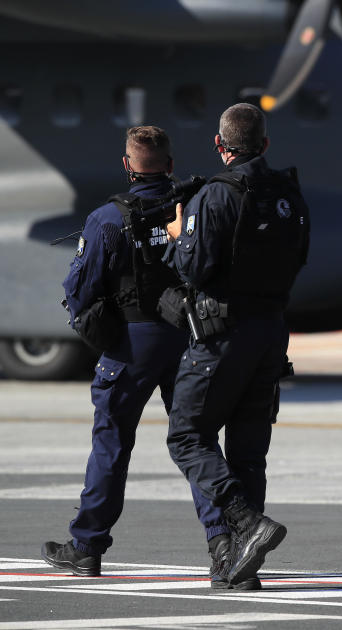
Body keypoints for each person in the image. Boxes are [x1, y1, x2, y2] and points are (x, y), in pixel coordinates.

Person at [42, 126, 229, 581]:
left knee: (111, 442)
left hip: (132, 341)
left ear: (127, 166)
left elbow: (80, 287)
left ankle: (87, 545)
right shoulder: (198, 206)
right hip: (190, 335)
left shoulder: (108, 218)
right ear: (169, 164)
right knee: (197, 441)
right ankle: (226, 547)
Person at [164, 103, 310, 590]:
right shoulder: (289, 193)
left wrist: (177, 235)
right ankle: (234, 565)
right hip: (271, 331)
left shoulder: (216, 196)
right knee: (249, 451)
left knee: (186, 437)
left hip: (221, 335)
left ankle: (246, 523)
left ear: (220, 146)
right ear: (265, 145)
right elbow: (299, 259)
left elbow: (191, 268)